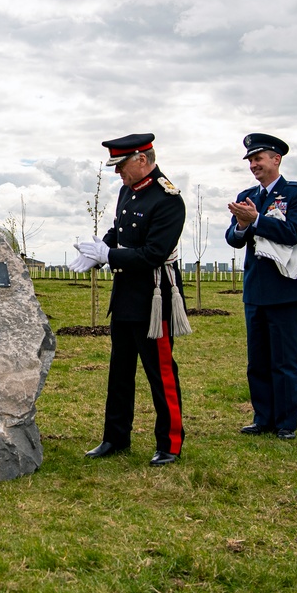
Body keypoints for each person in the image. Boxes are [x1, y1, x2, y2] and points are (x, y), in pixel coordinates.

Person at [69, 133, 190, 466]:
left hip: (155, 297)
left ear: (141, 159)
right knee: (119, 372)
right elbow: (118, 231)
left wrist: (109, 255)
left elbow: (153, 253)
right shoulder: (128, 190)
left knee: (160, 372)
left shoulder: (168, 198)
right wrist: (97, 250)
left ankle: (170, 442)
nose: (117, 173)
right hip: (125, 297)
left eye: (121, 165)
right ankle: (115, 437)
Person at [224, 133, 297, 440]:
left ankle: (286, 423)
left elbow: (293, 232)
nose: (253, 165)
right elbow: (234, 239)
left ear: (276, 159)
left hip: (287, 292)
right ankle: (263, 418)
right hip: (256, 292)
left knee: (284, 361)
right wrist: (244, 224)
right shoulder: (249, 195)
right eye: (250, 160)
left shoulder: (296, 194)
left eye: (258, 158)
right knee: (258, 362)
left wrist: (257, 220)